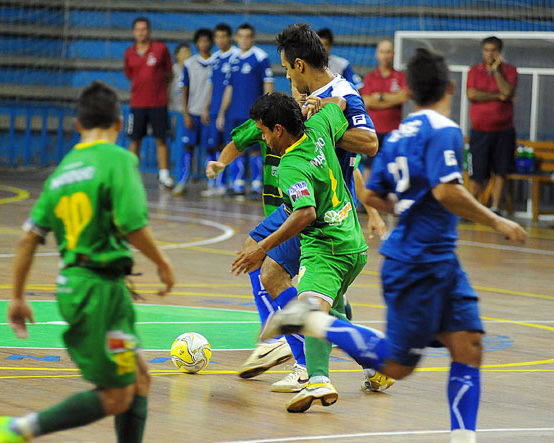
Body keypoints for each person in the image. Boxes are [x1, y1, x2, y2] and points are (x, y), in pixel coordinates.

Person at [261, 48, 526, 439]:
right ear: (452, 87)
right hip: (417, 259)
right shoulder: (445, 129)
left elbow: (376, 196)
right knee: (397, 365)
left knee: (470, 346)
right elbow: (446, 190)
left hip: (436, 257)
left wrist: (411, 202)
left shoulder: (400, 134)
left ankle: (463, 437)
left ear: (410, 91)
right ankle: (312, 320)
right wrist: (495, 219)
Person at [208, 23, 389, 399]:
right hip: (305, 202)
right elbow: (248, 133)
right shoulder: (307, 98)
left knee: (272, 270)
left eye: (289, 68)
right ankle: (366, 360)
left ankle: (302, 360)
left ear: (302, 64)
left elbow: (370, 143)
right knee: (324, 297)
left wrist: (319, 127)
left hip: (323, 208)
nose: (286, 74)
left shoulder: (340, 94)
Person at [0, 81, 175, 443]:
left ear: (77, 125)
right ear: (119, 124)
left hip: (77, 287)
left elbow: (29, 236)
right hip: (100, 295)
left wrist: (16, 296)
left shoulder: (62, 172)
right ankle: (19, 429)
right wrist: (162, 263)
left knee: (139, 380)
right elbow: (132, 224)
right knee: (117, 395)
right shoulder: (119, 159)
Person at [231, 91, 373, 414]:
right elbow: (339, 104)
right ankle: (373, 363)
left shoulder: (291, 166)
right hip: (353, 240)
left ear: (278, 129)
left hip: (325, 246)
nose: (263, 140)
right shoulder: (321, 126)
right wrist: (319, 105)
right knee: (325, 314)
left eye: (264, 132)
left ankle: (318, 378)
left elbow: (305, 212)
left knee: (310, 311)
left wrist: (262, 249)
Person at [217, 23, 274, 200]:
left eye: (247, 36)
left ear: (253, 38)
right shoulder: (233, 58)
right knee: (237, 146)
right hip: (234, 112)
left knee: (256, 149)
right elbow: (229, 88)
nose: (243, 39)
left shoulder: (260, 57)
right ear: (236, 38)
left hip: (254, 114)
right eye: (240, 36)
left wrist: (266, 110)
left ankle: (257, 185)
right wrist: (221, 113)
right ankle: (238, 184)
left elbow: (268, 85)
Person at [466, 36, 517, 215]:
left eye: (493, 50)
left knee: (501, 171)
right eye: (487, 50)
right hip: (480, 131)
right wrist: (497, 96)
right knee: (476, 172)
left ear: (499, 52)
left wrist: (496, 72)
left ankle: (495, 207)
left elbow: (508, 91)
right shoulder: (474, 71)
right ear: (482, 51)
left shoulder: (509, 70)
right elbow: (471, 94)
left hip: (504, 131)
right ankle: (474, 208)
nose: (490, 54)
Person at [124, 17, 174, 188]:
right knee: (134, 140)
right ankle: (131, 175)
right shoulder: (129, 53)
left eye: (144, 29)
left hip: (158, 103)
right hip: (137, 104)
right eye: (138, 29)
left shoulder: (160, 49)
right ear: (133, 32)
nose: (141, 32)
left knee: (161, 139)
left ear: (149, 30)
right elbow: (130, 75)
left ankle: (164, 175)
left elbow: (169, 73)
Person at [171, 28, 213, 196]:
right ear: (196, 44)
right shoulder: (189, 63)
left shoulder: (216, 62)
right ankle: (182, 181)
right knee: (188, 147)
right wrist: (186, 113)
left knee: (211, 148)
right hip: (192, 112)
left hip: (208, 114)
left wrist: (208, 109)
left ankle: (212, 183)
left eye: (206, 40)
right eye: (200, 41)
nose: (204, 44)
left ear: (211, 42)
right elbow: (184, 89)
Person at [360, 39, 408, 181]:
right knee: (369, 167)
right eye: (382, 52)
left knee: (393, 167)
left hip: (393, 132)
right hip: (373, 131)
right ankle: (363, 202)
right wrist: (391, 99)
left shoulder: (400, 77)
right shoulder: (369, 78)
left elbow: (403, 97)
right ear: (377, 54)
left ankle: (392, 200)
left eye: (388, 52)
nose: (385, 55)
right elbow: (367, 101)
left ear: (393, 54)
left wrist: (378, 97)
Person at [201, 23, 239, 197]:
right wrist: (207, 108)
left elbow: (232, 87)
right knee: (213, 146)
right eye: (217, 37)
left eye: (223, 36)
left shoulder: (236, 56)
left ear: (229, 37)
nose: (220, 40)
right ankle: (214, 183)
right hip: (215, 110)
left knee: (229, 146)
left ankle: (228, 183)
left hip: (231, 111)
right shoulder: (214, 58)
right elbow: (211, 85)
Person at [168, 42, 192, 145]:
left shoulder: (192, 69)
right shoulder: (173, 70)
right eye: (185, 52)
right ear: (177, 55)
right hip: (174, 110)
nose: (188, 54)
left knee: (187, 140)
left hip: (188, 111)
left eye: (189, 52)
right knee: (173, 138)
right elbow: (167, 88)